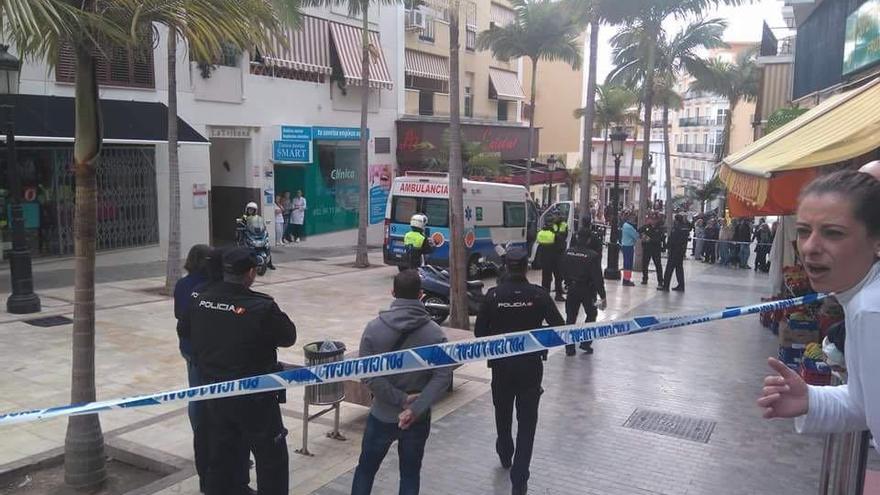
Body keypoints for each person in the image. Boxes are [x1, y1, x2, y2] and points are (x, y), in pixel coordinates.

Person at [757, 170, 880, 445]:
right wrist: (811, 398)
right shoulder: (861, 299)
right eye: (803, 231)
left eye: (833, 233)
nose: (810, 247)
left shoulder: (871, 310)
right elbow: (864, 404)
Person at [191, 248, 296, 495]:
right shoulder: (262, 306)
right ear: (250, 273)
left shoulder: (201, 299)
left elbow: (185, 332)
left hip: (214, 393)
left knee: (221, 455)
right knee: (271, 459)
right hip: (254, 398)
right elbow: (288, 336)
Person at [351, 270, 452, 495]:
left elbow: (367, 374)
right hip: (417, 418)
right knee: (409, 475)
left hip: (381, 414)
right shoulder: (435, 333)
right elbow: (443, 375)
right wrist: (415, 407)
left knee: (365, 471)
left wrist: (400, 400)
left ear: (393, 292)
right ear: (421, 295)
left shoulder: (374, 328)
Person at [475, 247, 564, 495]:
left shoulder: (493, 296)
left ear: (506, 266)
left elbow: (479, 334)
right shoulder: (539, 295)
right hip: (530, 368)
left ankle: (505, 451)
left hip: (501, 368)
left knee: (502, 412)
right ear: (526, 266)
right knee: (527, 423)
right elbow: (559, 328)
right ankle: (520, 478)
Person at [173, 244, 215, 493]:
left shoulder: (181, 285)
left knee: (196, 393)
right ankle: (206, 442)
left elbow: (179, 314)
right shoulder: (207, 286)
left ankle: (202, 437)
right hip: (205, 350)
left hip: (188, 347)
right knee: (204, 397)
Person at [561, 228, 607, 356]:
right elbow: (597, 277)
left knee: (570, 317)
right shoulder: (592, 255)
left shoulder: (568, 253)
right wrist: (602, 296)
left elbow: (562, 270)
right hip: (588, 290)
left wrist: (567, 282)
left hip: (572, 289)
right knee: (591, 315)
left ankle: (569, 347)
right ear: (588, 240)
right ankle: (585, 342)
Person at [535, 219, 564, 301]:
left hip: (544, 259)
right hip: (555, 260)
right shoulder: (555, 236)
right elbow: (562, 247)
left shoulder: (540, 234)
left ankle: (545, 294)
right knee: (558, 278)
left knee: (545, 278)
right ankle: (558, 295)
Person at [659, 214, 689, 292]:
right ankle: (681, 285)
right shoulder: (685, 228)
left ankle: (666, 286)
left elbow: (672, 240)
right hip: (681, 251)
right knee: (679, 269)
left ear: (676, 220)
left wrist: (667, 247)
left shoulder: (676, 228)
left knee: (669, 269)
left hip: (674, 251)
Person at [639, 214, 665, 286]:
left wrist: (649, 239)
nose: (652, 221)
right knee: (645, 264)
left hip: (655, 249)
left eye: (654, 219)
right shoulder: (646, 227)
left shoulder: (659, 228)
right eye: (651, 219)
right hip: (647, 248)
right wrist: (643, 237)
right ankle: (645, 279)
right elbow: (639, 231)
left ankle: (660, 280)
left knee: (658, 265)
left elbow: (659, 238)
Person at [620, 214, 639, 286]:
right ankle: (626, 279)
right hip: (629, 246)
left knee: (626, 263)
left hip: (625, 245)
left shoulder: (625, 225)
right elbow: (636, 236)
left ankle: (626, 278)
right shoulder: (629, 227)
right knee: (628, 264)